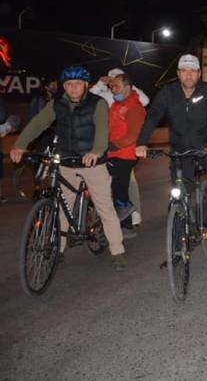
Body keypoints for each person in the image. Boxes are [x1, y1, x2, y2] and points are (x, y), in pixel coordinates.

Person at [10, 66, 126, 271]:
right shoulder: (57, 104)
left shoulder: (97, 103)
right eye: (69, 84)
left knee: (104, 207)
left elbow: (102, 130)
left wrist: (96, 152)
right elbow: (37, 124)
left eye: (77, 84)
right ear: (64, 86)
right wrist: (20, 145)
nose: (73, 88)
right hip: (67, 161)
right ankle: (58, 249)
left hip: (92, 163)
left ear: (85, 85)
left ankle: (117, 251)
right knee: (63, 206)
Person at [135, 54, 207, 234]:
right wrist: (142, 142)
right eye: (184, 71)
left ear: (199, 73)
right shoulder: (168, 93)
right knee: (181, 188)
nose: (188, 75)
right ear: (178, 73)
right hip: (180, 149)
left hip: (206, 147)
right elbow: (153, 116)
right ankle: (182, 219)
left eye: (193, 71)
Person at [107, 73, 146, 238]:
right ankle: (125, 223)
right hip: (114, 152)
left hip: (125, 154)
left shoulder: (134, 107)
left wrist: (113, 145)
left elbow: (133, 135)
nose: (113, 90)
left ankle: (126, 224)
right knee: (119, 187)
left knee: (119, 188)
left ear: (127, 88)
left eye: (116, 87)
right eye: (112, 87)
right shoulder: (116, 105)